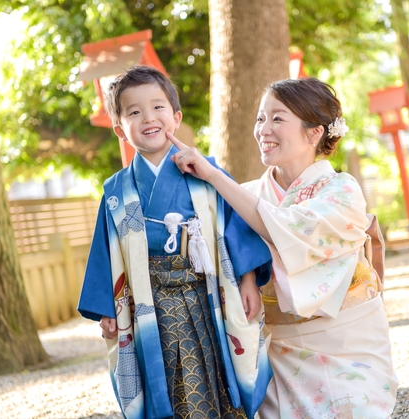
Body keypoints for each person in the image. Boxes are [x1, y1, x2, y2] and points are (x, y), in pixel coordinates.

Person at [167, 77, 398, 418]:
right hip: (278, 348)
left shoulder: (342, 191)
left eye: (277, 118)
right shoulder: (246, 194)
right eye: (261, 119)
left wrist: (216, 176)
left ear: (314, 131)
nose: (264, 129)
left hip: (347, 340)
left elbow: (285, 228)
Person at [78, 66, 273, 419]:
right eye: (134, 112)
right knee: (163, 382)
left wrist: (247, 281)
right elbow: (104, 252)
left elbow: (234, 226)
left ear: (176, 116)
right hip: (150, 306)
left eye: (158, 108)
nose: (148, 118)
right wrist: (108, 306)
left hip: (207, 297)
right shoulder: (116, 191)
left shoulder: (205, 171)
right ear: (121, 129)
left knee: (218, 373)